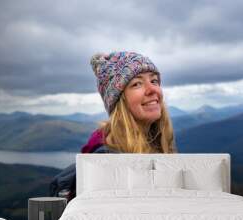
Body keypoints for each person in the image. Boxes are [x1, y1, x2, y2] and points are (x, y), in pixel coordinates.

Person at [49, 51, 176, 200]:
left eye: (154, 81)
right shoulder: (106, 162)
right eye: (137, 84)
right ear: (118, 102)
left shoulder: (155, 142)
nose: (153, 89)